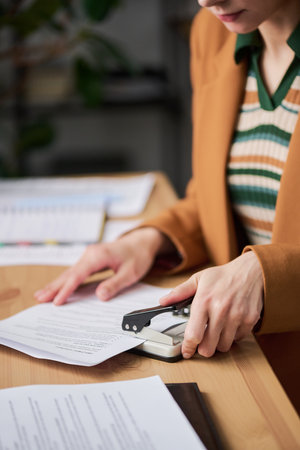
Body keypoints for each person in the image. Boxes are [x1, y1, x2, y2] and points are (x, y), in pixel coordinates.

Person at [35, 0, 300, 361]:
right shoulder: (212, 33)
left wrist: (268, 272)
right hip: (245, 352)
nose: (206, 0)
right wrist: (151, 239)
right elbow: (219, 195)